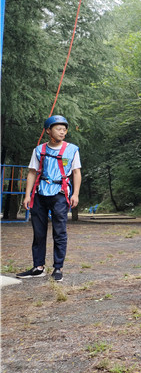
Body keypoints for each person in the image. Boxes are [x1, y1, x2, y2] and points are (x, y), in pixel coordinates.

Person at [17, 115, 82, 283]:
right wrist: (27, 195)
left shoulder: (72, 150)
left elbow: (76, 172)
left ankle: (58, 268)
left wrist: (75, 194)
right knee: (39, 232)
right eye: (58, 129)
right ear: (48, 131)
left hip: (60, 194)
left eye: (64, 129)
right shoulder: (39, 150)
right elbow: (32, 172)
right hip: (40, 194)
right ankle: (38, 267)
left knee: (59, 232)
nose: (62, 132)